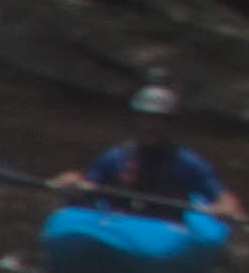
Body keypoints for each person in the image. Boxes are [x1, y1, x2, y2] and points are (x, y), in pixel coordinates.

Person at [68, 82, 239, 222]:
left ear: (170, 123)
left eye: (158, 120)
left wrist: (225, 208)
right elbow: (87, 182)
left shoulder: (187, 162)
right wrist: (74, 182)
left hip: (166, 228)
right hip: (120, 224)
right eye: (145, 118)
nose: (149, 126)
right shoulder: (116, 156)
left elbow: (225, 199)